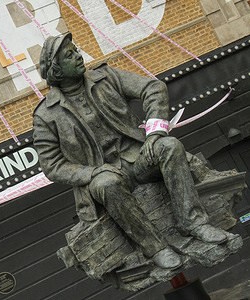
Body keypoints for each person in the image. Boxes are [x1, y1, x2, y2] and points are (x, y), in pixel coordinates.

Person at [33, 33, 228, 269]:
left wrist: (154, 133)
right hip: (103, 176)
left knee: (169, 146)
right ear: (56, 70)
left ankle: (194, 223)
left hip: (138, 159)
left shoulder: (106, 77)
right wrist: (92, 173)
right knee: (106, 184)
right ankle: (156, 248)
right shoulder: (46, 115)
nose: (78, 56)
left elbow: (153, 88)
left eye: (76, 50)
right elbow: (52, 166)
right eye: (69, 55)